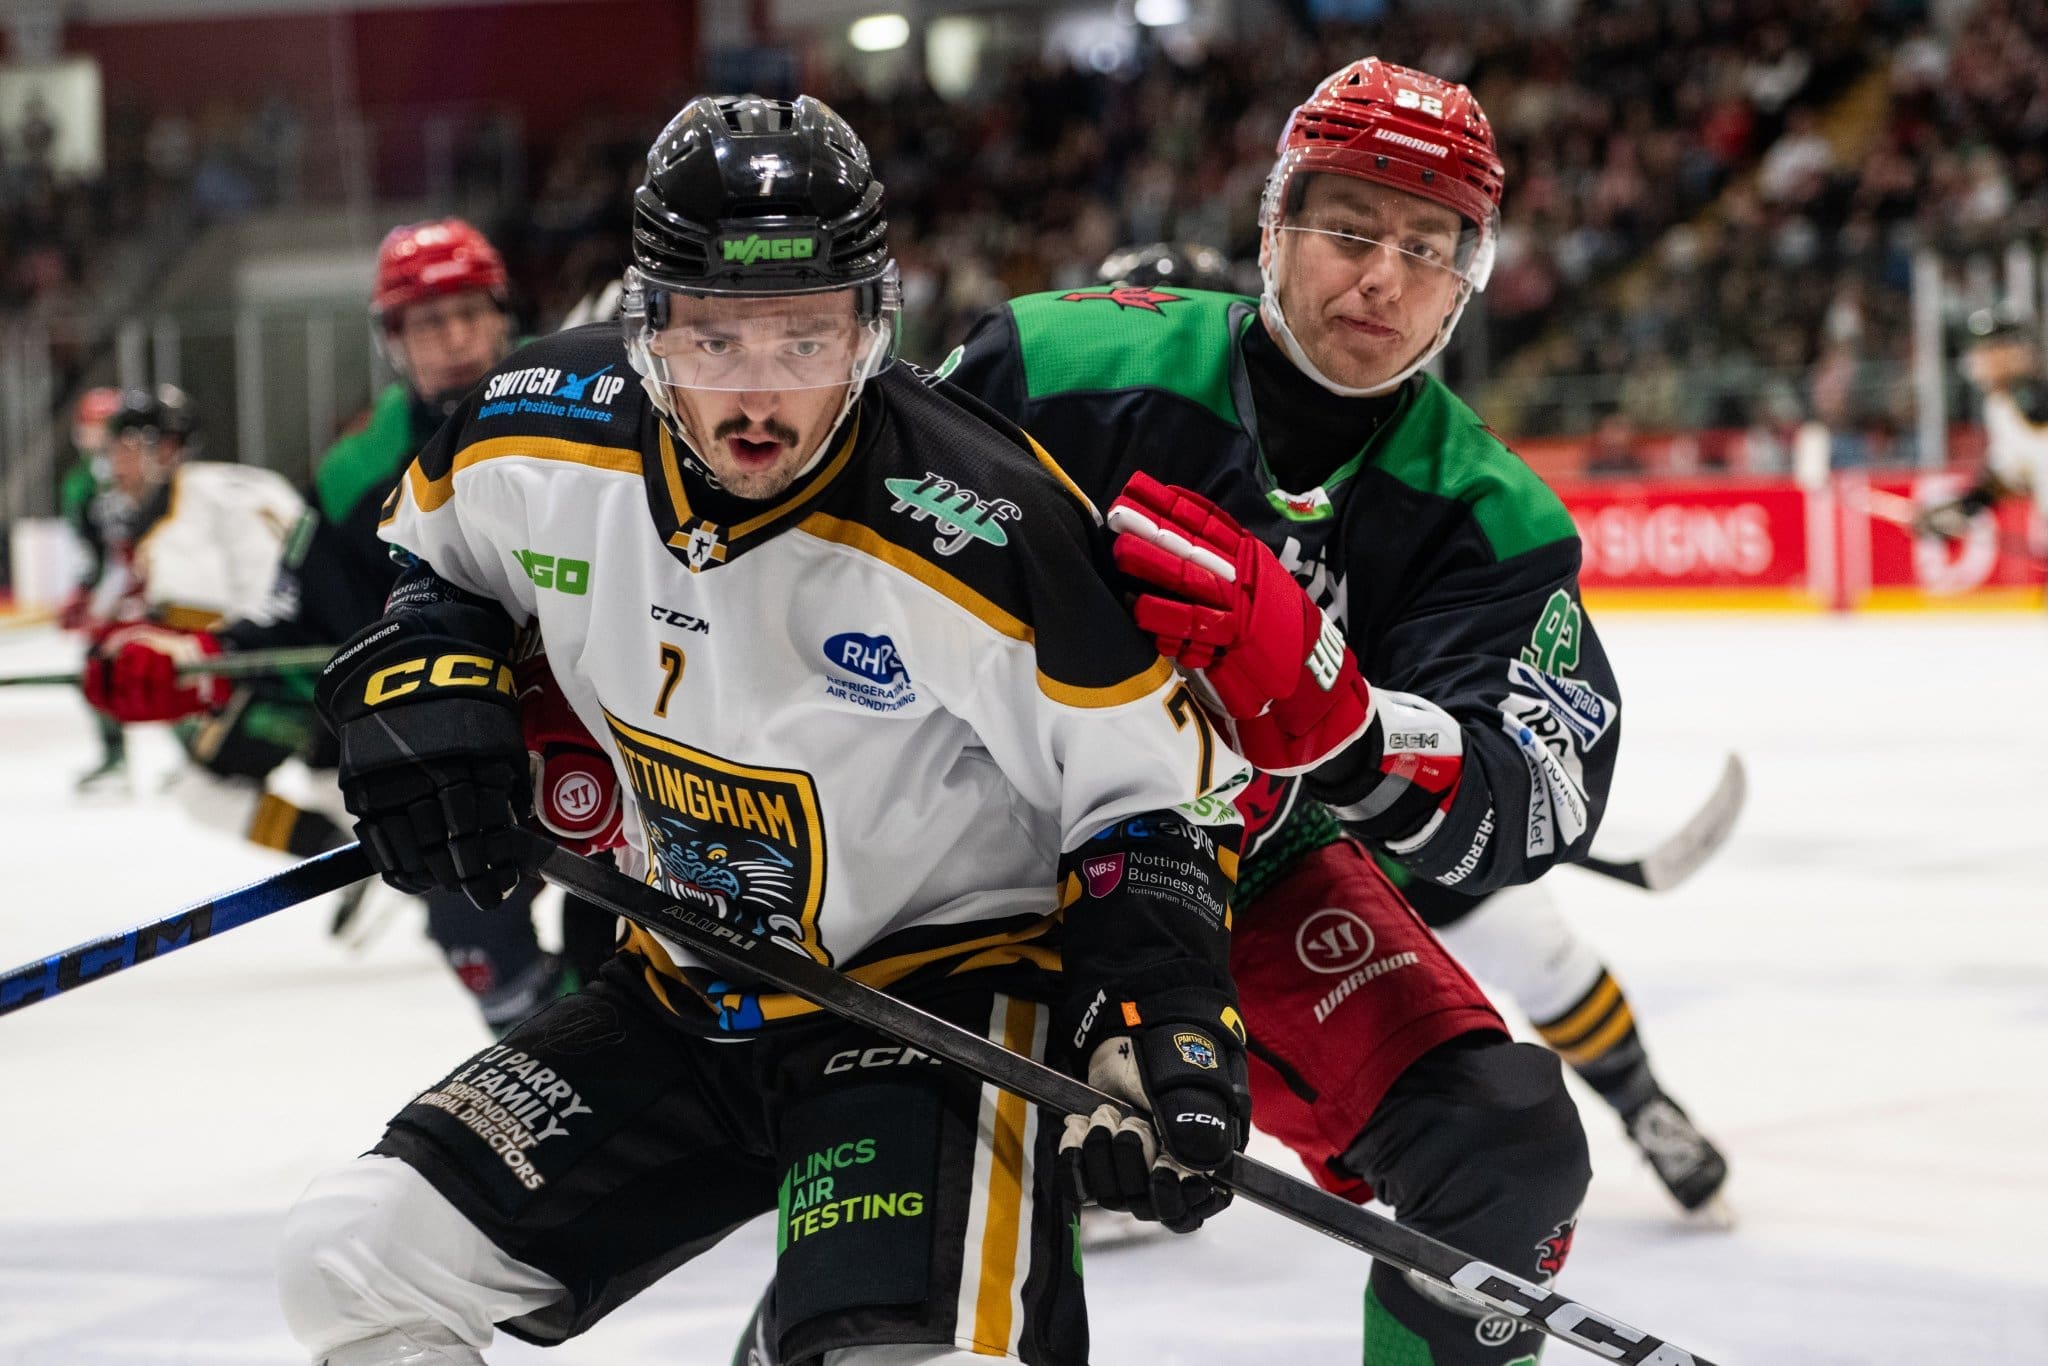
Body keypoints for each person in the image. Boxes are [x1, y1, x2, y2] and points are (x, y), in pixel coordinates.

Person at [277, 93, 1251, 1366]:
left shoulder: (983, 524)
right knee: (350, 1262)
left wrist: (1154, 1016)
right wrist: (431, 675)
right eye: (714, 340)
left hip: (934, 1004)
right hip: (685, 984)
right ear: (647, 325)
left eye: (803, 340)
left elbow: (1156, 793)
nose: (755, 397)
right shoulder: (530, 425)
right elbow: (443, 572)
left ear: (868, 325)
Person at [939, 58, 1721, 1363]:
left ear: (1471, 275)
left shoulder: (1487, 511)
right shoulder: (1058, 360)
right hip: (971, 842)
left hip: (1249, 856)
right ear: (1273, 227)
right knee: (923, 1256)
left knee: (1505, 1146)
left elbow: (1533, 801)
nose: (1385, 277)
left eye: (1430, 245)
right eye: (1350, 228)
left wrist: (1354, 729)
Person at [85, 219, 610, 1034]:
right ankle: (573, 1058)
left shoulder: (595, 390)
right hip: (474, 745)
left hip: (634, 720)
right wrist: (205, 663)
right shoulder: (355, 470)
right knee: (472, 924)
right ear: (392, 340)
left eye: (471, 311)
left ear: (505, 313)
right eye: (428, 322)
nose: (457, 338)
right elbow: (311, 617)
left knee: (635, 936)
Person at [1919, 307, 2048, 557]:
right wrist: (1965, 508)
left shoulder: (2031, 397)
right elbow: (2009, 475)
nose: (1977, 358)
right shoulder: (2001, 405)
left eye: (1988, 348)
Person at [56, 385, 133, 792]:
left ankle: (193, 747)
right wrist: (85, 590)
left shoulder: (117, 474)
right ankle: (115, 756)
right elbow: (92, 548)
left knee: (158, 665)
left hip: (138, 584)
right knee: (108, 667)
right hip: (118, 584)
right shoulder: (85, 480)